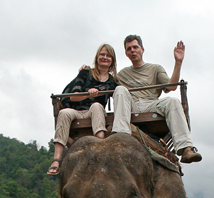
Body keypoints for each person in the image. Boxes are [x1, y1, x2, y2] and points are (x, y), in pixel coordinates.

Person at [111, 35, 201, 164]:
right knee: (119, 89)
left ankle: (186, 148)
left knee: (173, 101)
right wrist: (86, 71)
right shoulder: (122, 74)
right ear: (126, 53)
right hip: (131, 106)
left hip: (151, 104)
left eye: (135, 47)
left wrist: (178, 62)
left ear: (142, 49)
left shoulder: (155, 68)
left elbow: (172, 86)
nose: (132, 50)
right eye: (129, 48)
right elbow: (103, 80)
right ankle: (121, 137)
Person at [48, 44, 118, 175]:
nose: (105, 57)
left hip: (95, 112)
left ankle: (100, 148)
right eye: (102, 54)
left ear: (112, 60)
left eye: (108, 55)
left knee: (97, 105)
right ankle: (57, 159)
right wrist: (88, 93)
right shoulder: (86, 73)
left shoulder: (112, 81)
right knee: (64, 113)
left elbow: (119, 96)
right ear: (97, 57)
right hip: (77, 110)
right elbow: (73, 97)